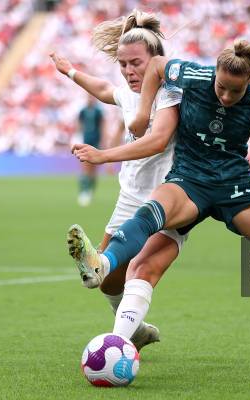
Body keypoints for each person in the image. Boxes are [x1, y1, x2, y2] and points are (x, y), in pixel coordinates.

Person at [73, 39, 250, 354]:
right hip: (190, 179)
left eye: (235, 91)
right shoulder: (191, 74)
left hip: (235, 185)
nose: (225, 96)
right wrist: (142, 114)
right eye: (221, 86)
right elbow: (155, 65)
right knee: (151, 212)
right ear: (214, 74)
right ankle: (102, 262)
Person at [50, 9, 186, 350]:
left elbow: (157, 141)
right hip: (131, 196)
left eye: (136, 63)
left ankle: (118, 342)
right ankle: (135, 331)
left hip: (170, 197)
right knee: (108, 280)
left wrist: (103, 155)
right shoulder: (127, 93)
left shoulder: (171, 93)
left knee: (141, 269)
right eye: (123, 64)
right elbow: (104, 89)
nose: (128, 71)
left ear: (156, 61)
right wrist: (70, 71)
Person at [76, 95, 104, 206]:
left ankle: (91, 191)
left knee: (93, 170)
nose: (90, 99)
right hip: (86, 141)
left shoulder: (98, 111)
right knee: (85, 167)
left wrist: (103, 141)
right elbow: (79, 125)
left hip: (96, 142)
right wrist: (78, 137)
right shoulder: (82, 111)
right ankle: (84, 192)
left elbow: (102, 126)